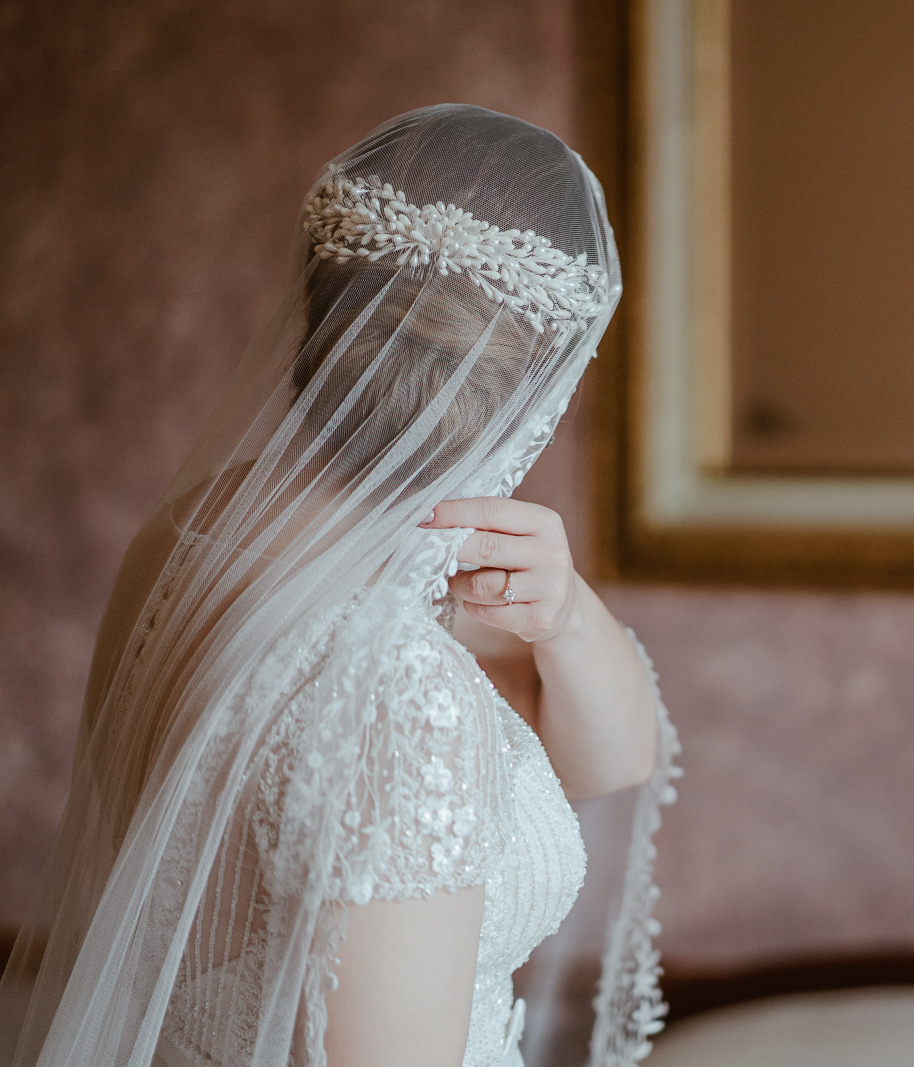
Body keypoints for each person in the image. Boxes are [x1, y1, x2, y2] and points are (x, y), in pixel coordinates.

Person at [0, 105, 680, 1067]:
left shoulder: (186, 538)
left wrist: (565, 616)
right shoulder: (404, 692)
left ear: (319, 299)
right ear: (539, 386)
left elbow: (617, 757)